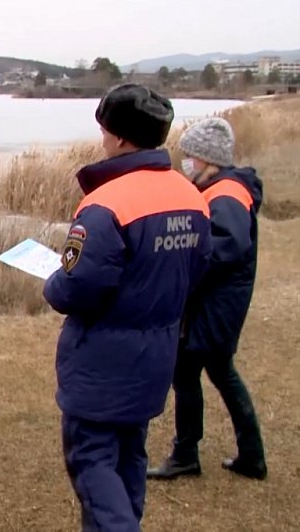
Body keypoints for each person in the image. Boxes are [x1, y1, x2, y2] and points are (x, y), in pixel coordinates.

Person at [43, 83, 212, 531]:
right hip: (156, 354)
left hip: (102, 362)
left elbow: (77, 288)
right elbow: (198, 269)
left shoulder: (106, 203)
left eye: (104, 131)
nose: (101, 140)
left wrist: (52, 282)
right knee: (129, 456)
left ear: (118, 137)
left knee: (92, 462)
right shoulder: (190, 196)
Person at [147, 117, 267, 481]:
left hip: (216, 305)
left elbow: (225, 248)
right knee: (216, 372)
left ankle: (187, 454)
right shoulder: (219, 188)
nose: (186, 162)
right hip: (216, 303)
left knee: (187, 373)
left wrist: (183, 264)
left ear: (207, 158)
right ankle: (249, 455)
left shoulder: (225, 194)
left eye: (190, 156)